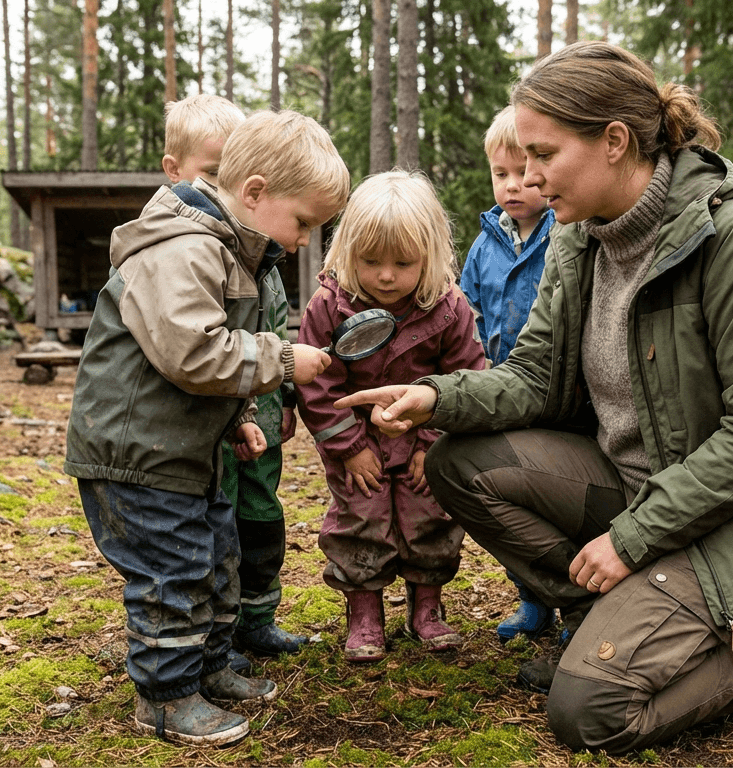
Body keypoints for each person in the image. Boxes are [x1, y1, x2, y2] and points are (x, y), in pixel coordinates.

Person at [335, 42, 733, 754]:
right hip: (635, 491)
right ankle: (609, 613)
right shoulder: (579, 239)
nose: (526, 176)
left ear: (614, 142)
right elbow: (535, 377)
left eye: (543, 154)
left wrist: (632, 540)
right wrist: (436, 397)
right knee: (457, 463)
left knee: (592, 712)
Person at [64, 110, 349, 747]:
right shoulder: (183, 250)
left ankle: (211, 668)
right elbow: (192, 354)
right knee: (174, 572)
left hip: (190, 451)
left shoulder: (232, 252)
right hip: (137, 454)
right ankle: (165, 696)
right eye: (303, 221)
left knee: (218, 556)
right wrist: (279, 360)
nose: (304, 240)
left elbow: (213, 362)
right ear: (253, 193)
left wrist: (242, 417)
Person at [295, 170, 488, 662]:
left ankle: (427, 606)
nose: (385, 276)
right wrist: (349, 447)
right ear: (346, 251)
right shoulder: (329, 307)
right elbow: (318, 384)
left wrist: (434, 446)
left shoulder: (447, 307)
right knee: (361, 519)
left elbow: (466, 377)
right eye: (370, 261)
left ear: (431, 255)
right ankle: (364, 613)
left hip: (423, 439)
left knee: (430, 519)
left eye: (403, 263)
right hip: (358, 446)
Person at [160, 94, 311, 671]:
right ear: (175, 172)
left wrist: (286, 397)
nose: (225, 187)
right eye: (213, 173)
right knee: (216, 528)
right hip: (210, 427)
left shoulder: (261, 258)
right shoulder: (191, 254)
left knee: (261, 516)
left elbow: (277, 329)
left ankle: (258, 618)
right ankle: (210, 639)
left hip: (260, 419)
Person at [461, 105, 559, 643]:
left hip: (550, 391)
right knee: (511, 497)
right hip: (497, 387)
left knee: (549, 498)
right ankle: (530, 598)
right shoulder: (485, 243)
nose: (513, 186)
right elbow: (466, 310)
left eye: (524, 173)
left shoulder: (562, 234)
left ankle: (574, 608)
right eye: (501, 174)